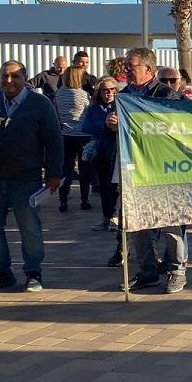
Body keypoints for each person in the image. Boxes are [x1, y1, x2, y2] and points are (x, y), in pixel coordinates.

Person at [0, 61, 63, 294]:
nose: (9, 81)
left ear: (25, 78)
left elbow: (54, 139)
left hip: (26, 178)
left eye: (15, 76)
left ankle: (33, 272)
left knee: (29, 227)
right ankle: (1, 272)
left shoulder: (40, 104)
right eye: (4, 76)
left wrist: (55, 173)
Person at [117, 47, 188, 294]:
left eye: (131, 66)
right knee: (137, 224)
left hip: (165, 169)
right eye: (125, 65)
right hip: (135, 170)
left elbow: (178, 127)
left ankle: (175, 270)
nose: (126, 70)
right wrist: (110, 123)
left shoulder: (167, 95)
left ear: (149, 69)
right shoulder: (122, 96)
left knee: (169, 222)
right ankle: (147, 271)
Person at [82, 77, 123, 262]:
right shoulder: (93, 109)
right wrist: (104, 125)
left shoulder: (121, 106)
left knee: (116, 187)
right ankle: (106, 216)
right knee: (104, 186)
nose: (109, 93)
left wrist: (114, 126)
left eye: (112, 89)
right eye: (105, 90)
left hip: (117, 151)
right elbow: (86, 127)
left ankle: (115, 216)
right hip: (100, 151)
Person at [55, 65, 93, 213]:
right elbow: (89, 111)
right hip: (83, 135)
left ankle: (63, 200)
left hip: (65, 135)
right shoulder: (82, 94)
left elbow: (56, 111)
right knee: (85, 170)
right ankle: (84, 200)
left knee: (66, 169)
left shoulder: (59, 93)